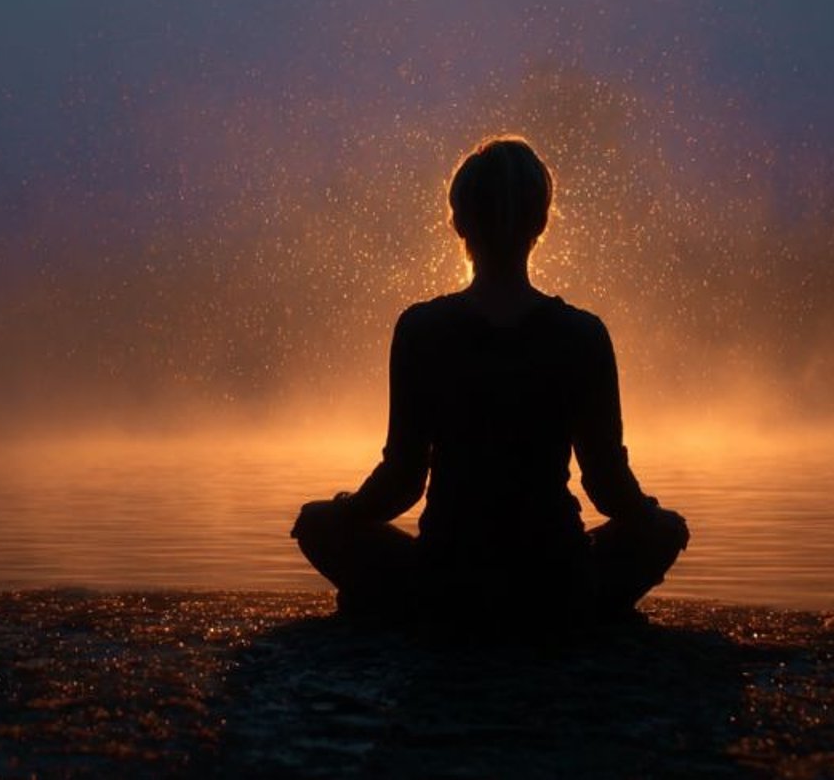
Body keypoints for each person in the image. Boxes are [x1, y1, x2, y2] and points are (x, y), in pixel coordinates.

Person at [291, 137, 688, 626]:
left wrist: (343, 513)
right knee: (667, 530)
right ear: (541, 223)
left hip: (444, 580)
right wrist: (651, 519)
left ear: (458, 222)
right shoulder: (582, 335)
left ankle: (411, 610)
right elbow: (608, 485)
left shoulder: (422, 330)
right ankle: (572, 617)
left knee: (315, 523)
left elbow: (402, 481)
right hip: (556, 579)